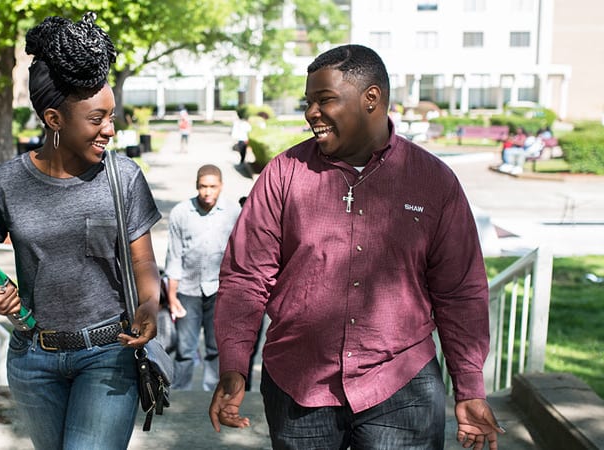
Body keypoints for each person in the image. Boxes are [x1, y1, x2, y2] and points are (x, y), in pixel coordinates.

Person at [209, 44, 505, 449]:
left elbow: (460, 291)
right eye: (308, 102)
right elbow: (245, 277)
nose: (311, 112)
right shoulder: (283, 175)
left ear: (371, 99)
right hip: (299, 383)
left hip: (402, 386)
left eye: (325, 99)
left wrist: (469, 385)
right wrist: (235, 364)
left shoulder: (434, 181)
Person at [0, 14, 162, 450]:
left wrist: (150, 301)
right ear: (53, 118)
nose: (110, 129)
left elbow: (142, 259)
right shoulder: (3, 183)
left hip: (109, 354)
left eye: (111, 116)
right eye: (96, 119)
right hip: (33, 360)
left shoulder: (123, 177)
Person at [164, 165, 241, 391]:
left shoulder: (233, 212)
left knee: (215, 347)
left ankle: (212, 392)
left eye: (212, 187)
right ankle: (181, 393)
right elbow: (174, 256)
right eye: (203, 187)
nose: (207, 192)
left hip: (220, 290)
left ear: (221, 187)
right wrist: (172, 296)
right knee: (185, 349)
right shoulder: (181, 213)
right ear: (197, 186)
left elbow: (239, 254)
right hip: (187, 290)